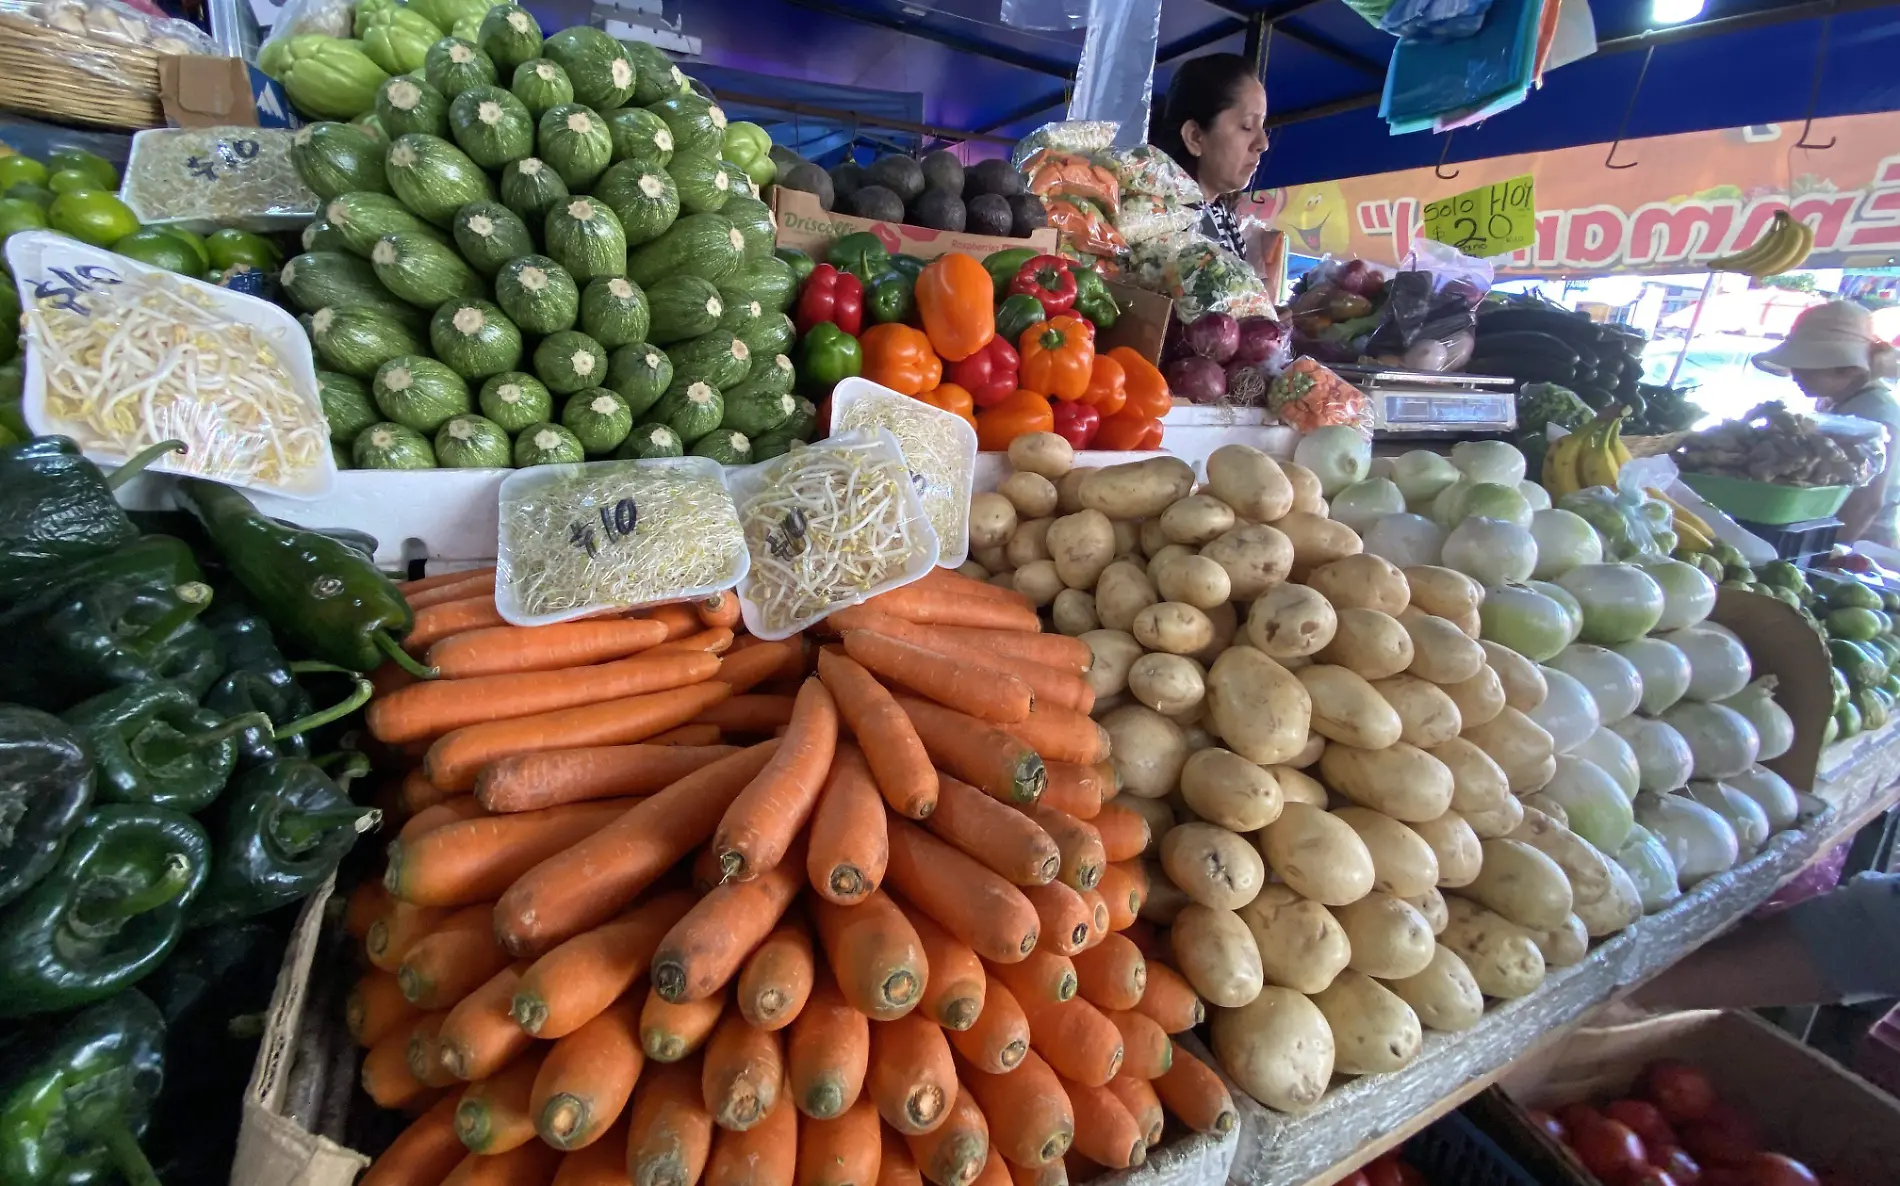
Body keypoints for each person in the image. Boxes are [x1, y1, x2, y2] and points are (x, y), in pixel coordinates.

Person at [1752, 300, 1900, 545]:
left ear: (1847, 370)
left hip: (1858, 546)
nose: (1795, 374)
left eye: (1807, 367)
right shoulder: (1841, 402)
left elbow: (1866, 503)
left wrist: (1828, 553)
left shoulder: (1875, 413)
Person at [1150, 52, 1270, 260]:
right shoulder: (1156, 221)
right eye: (1247, 126)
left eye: (1262, 126)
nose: (1263, 144)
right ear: (1195, 137)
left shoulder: (1222, 215)